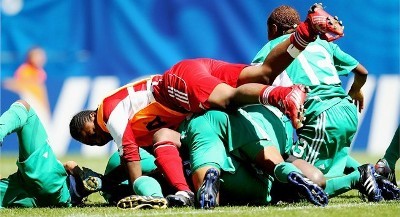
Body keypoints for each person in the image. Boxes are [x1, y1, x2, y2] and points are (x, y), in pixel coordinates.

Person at [69, 3, 344, 207]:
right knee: (262, 75)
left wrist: (136, 187)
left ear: (93, 116)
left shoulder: (111, 114)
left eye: (89, 134)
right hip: (193, 76)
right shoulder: (130, 113)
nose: (94, 141)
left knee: (224, 100)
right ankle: (307, 31)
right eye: (90, 143)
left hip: (177, 84)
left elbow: (129, 153)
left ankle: (281, 96)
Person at [251, 5, 384, 202]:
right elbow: (362, 72)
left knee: (298, 186)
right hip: (347, 109)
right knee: (328, 153)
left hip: (321, 115)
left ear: (274, 29)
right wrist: (355, 90)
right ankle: (377, 178)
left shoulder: (271, 48)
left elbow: (253, 83)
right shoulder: (323, 43)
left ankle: (359, 178)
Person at [0, 100, 103, 208]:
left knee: (24, 108)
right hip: (56, 197)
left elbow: (70, 164)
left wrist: (79, 173)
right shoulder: (97, 183)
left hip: (44, 180)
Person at [3, 46, 51, 130]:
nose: (41, 58)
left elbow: (41, 91)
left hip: (40, 107)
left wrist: (46, 108)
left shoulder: (41, 72)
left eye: (42, 55)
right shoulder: (24, 70)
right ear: (30, 57)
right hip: (31, 106)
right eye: (37, 55)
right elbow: (17, 85)